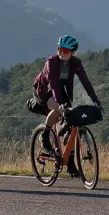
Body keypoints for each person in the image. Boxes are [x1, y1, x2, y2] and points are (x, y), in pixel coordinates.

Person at [33, 35, 100, 176]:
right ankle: (44, 135)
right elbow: (53, 85)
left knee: (73, 122)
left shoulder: (75, 63)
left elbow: (85, 81)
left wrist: (94, 99)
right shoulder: (51, 62)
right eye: (60, 49)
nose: (62, 52)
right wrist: (60, 103)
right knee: (58, 108)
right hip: (44, 91)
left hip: (62, 92)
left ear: (73, 52)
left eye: (65, 50)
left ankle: (70, 164)